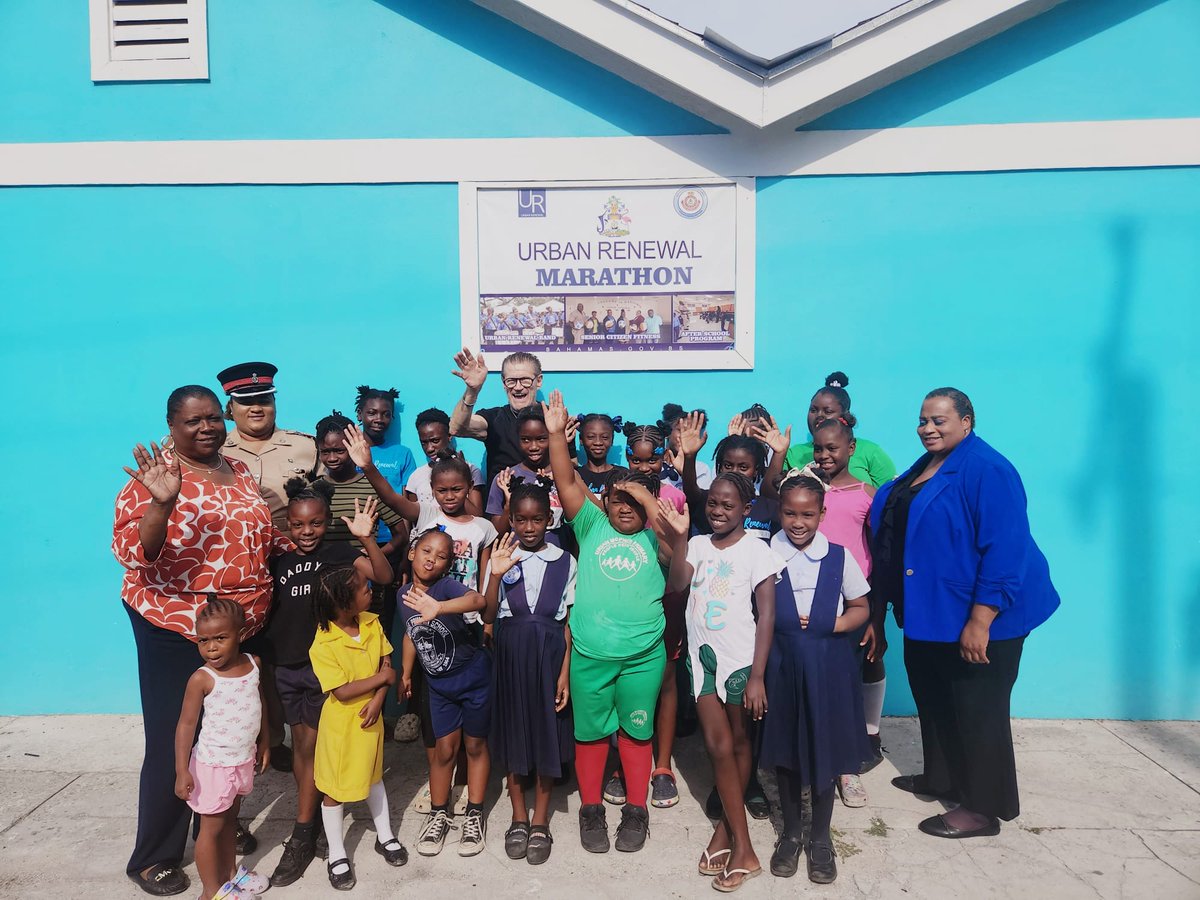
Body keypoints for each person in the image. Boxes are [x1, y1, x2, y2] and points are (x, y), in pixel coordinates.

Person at [114, 385, 289, 897]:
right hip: (177, 626)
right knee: (178, 734)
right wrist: (161, 505)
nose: (207, 427)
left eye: (214, 417)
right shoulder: (158, 475)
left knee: (229, 734)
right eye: (193, 421)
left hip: (240, 628)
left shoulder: (235, 469)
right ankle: (154, 855)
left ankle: (212, 820)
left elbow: (258, 535)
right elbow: (136, 552)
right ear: (172, 425)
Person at [871, 388, 1059, 839]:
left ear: (967, 421)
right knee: (935, 699)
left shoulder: (988, 470)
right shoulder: (930, 464)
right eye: (922, 420)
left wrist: (982, 619)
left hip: (983, 616)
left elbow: (1005, 548)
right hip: (934, 612)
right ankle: (943, 778)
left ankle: (981, 808)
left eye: (939, 420)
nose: (928, 428)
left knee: (978, 709)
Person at [544, 390, 670, 854]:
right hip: (590, 656)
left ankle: (636, 809)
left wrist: (642, 494)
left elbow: (678, 558)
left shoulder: (661, 539)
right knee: (591, 733)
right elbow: (564, 479)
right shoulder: (591, 526)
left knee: (638, 733)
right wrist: (557, 435)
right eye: (616, 499)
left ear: (651, 507)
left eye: (634, 502)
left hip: (642, 659)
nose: (623, 508)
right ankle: (591, 809)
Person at [264, 483, 393, 888]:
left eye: (316, 523)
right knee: (303, 746)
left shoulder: (338, 555)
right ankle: (313, 825)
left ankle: (307, 830)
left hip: (330, 671)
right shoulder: (278, 559)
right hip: (289, 667)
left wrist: (366, 539)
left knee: (322, 750)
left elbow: (384, 576)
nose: (307, 531)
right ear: (286, 524)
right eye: (298, 524)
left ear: (326, 523)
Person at [660, 475, 783, 892]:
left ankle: (727, 836)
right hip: (702, 661)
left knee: (740, 742)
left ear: (746, 510)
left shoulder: (757, 550)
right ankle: (742, 846)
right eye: (712, 503)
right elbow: (677, 584)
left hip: (742, 663)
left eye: (728, 505)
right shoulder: (695, 545)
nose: (717, 511)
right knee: (718, 747)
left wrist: (759, 677)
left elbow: (767, 615)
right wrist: (679, 538)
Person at [761, 468, 872, 884]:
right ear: (780, 514)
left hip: (827, 666)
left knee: (824, 753)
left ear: (822, 514)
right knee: (788, 755)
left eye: (807, 515)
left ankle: (820, 838)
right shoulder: (766, 554)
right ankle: (790, 834)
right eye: (790, 514)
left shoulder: (839, 556)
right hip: (781, 666)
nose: (798, 523)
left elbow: (861, 607)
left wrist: (830, 623)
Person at [217, 360, 316, 773]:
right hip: (236, 574)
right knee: (243, 661)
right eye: (246, 402)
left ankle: (290, 738)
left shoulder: (303, 446)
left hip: (292, 567)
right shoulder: (215, 450)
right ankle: (258, 742)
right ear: (231, 407)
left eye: (264, 400)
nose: (256, 408)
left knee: (289, 654)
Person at [483, 489, 576, 866]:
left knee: (546, 731)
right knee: (514, 727)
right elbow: (488, 613)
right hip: (511, 651)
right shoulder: (502, 556)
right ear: (510, 518)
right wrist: (495, 573)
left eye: (537, 519)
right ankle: (518, 814)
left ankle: (541, 818)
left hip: (551, 653)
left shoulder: (565, 561)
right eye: (520, 519)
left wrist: (565, 673)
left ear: (549, 520)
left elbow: (569, 622)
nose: (529, 527)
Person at [310, 566, 406, 891]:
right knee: (334, 791)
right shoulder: (323, 644)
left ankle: (385, 836)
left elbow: (386, 662)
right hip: (341, 729)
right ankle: (337, 854)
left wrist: (380, 699)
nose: (370, 590)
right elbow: (342, 691)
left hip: (370, 721)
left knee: (374, 776)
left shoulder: (371, 622)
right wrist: (383, 681)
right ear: (343, 603)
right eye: (363, 588)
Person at [398, 530, 491, 858]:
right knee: (443, 751)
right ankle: (440, 812)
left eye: (440, 556)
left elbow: (478, 601)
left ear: (448, 564)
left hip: (473, 680)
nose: (430, 559)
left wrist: (440, 607)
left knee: (475, 746)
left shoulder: (445, 588)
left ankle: (475, 814)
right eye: (425, 551)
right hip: (439, 687)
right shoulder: (403, 595)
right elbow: (411, 634)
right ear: (412, 552)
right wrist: (407, 672)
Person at [809, 414, 886, 808]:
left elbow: (876, 553)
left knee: (847, 687)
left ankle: (848, 767)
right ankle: (814, 760)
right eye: (818, 448)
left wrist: (875, 615)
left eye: (832, 448)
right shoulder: (803, 490)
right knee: (812, 684)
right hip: (807, 605)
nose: (824, 455)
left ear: (851, 449)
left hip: (852, 606)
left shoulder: (866, 494)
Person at [610, 419, 686, 810]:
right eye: (636, 461)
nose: (644, 468)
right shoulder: (617, 492)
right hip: (625, 600)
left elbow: (672, 551)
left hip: (665, 601)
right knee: (624, 682)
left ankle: (663, 765)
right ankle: (624, 762)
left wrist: (647, 499)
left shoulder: (673, 496)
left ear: (663, 457)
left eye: (652, 460)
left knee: (667, 680)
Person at [173, 598, 271, 900]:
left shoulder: (254, 664)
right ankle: (211, 892)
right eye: (203, 640)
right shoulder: (202, 678)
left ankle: (230, 877)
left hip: (242, 760)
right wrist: (181, 771)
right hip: (213, 766)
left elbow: (260, 704)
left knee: (230, 821)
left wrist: (265, 740)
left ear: (240, 634)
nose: (211, 647)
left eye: (220, 638)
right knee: (210, 829)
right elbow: (186, 725)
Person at [450, 349, 552, 486]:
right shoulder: (494, 418)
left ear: (538, 381)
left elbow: (571, 464)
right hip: (499, 504)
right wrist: (472, 390)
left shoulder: (553, 418)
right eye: (511, 381)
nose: (518, 387)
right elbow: (457, 428)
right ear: (504, 384)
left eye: (525, 380)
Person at [781, 372, 896, 489]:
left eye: (828, 411)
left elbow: (889, 495)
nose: (819, 416)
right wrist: (779, 453)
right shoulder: (793, 454)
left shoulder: (871, 452)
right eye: (813, 410)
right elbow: (772, 493)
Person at [486, 407, 572, 549]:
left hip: (557, 562)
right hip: (516, 562)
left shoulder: (566, 477)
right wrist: (509, 505)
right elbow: (497, 534)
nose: (533, 446)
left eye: (541, 439)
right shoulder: (505, 479)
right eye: (525, 440)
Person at [403, 407, 486, 513]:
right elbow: (412, 518)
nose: (429, 448)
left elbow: (477, 516)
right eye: (424, 442)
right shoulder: (416, 476)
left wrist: (462, 474)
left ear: (449, 435)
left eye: (435, 440)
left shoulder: (471, 471)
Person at [576, 413, 627, 502]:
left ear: (612, 440)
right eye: (591, 437)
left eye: (605, 437)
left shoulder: (623, 475)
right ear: (581, 439)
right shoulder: (575, 475)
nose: (598, 442)